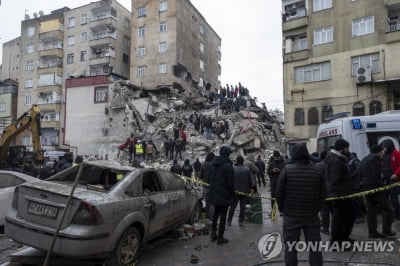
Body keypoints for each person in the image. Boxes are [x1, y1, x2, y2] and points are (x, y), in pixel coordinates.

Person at [276, 144, 326, 266]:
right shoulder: (317, 171)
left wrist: (283, 209)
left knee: (290, 248)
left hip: (291, 216)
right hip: (312, 216)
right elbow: (323, 195)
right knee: (314, 247)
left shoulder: (286, 171)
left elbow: (279, 194)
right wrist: (316, 209)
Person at [360, 144, 395, 238]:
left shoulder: (365, 158)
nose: (383, 153)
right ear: (378, 152)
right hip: (375, 188)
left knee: (371, 209)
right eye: (382, 151)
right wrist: (382, 187)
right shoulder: (375, 158)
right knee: (388, 208)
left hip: (365, 187)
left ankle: (372, 232)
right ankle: (386, 231)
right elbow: (377, 174)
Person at [326, 139, 355, 250]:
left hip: (343, 195)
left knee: (347, 217)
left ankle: (344, 238)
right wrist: (344, 196)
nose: (348, 150)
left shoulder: (338, 159)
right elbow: (335, 181)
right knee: (339, 220)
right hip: (340, 196)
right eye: (347, 148)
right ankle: (337, 243)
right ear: (343, 148)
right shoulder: (335, 161)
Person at [208, 146, 235, 245]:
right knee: (223, 216)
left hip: (214, 193)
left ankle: (213, 234)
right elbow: (230, 183)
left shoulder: (214, 164)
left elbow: (210, 178)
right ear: (228, 154)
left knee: (215, 214)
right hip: (224, 195)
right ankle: (220, 238)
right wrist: (232, 195)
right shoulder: (228, 166)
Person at [227, 155, 252, 226]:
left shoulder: (233, 168)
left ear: (237, 161)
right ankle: (240, 221)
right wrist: (250, 189)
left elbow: (230, 180)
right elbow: (249, 181)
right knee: (242, 207)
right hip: (244, 191)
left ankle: (229, 221)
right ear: (243, 161)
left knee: (232, 207)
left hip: (235, 191)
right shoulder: (247, 169)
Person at [381, 139, 400, 220]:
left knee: (394, 197)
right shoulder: (384, 155)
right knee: (390, 198)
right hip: (386, 179)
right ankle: (394, 213)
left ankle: (398, 214)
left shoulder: (397, 154)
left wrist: (396, 174)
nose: (383, 149)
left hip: (394, 179)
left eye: (384, 147)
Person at [199, 152, 215, 219]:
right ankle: (213, 216)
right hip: (214, 185)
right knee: (213, 201)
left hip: (205, 186)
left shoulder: (203, 164)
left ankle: (207, 216)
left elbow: (201, 176)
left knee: (207, 201)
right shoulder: (215, 164)